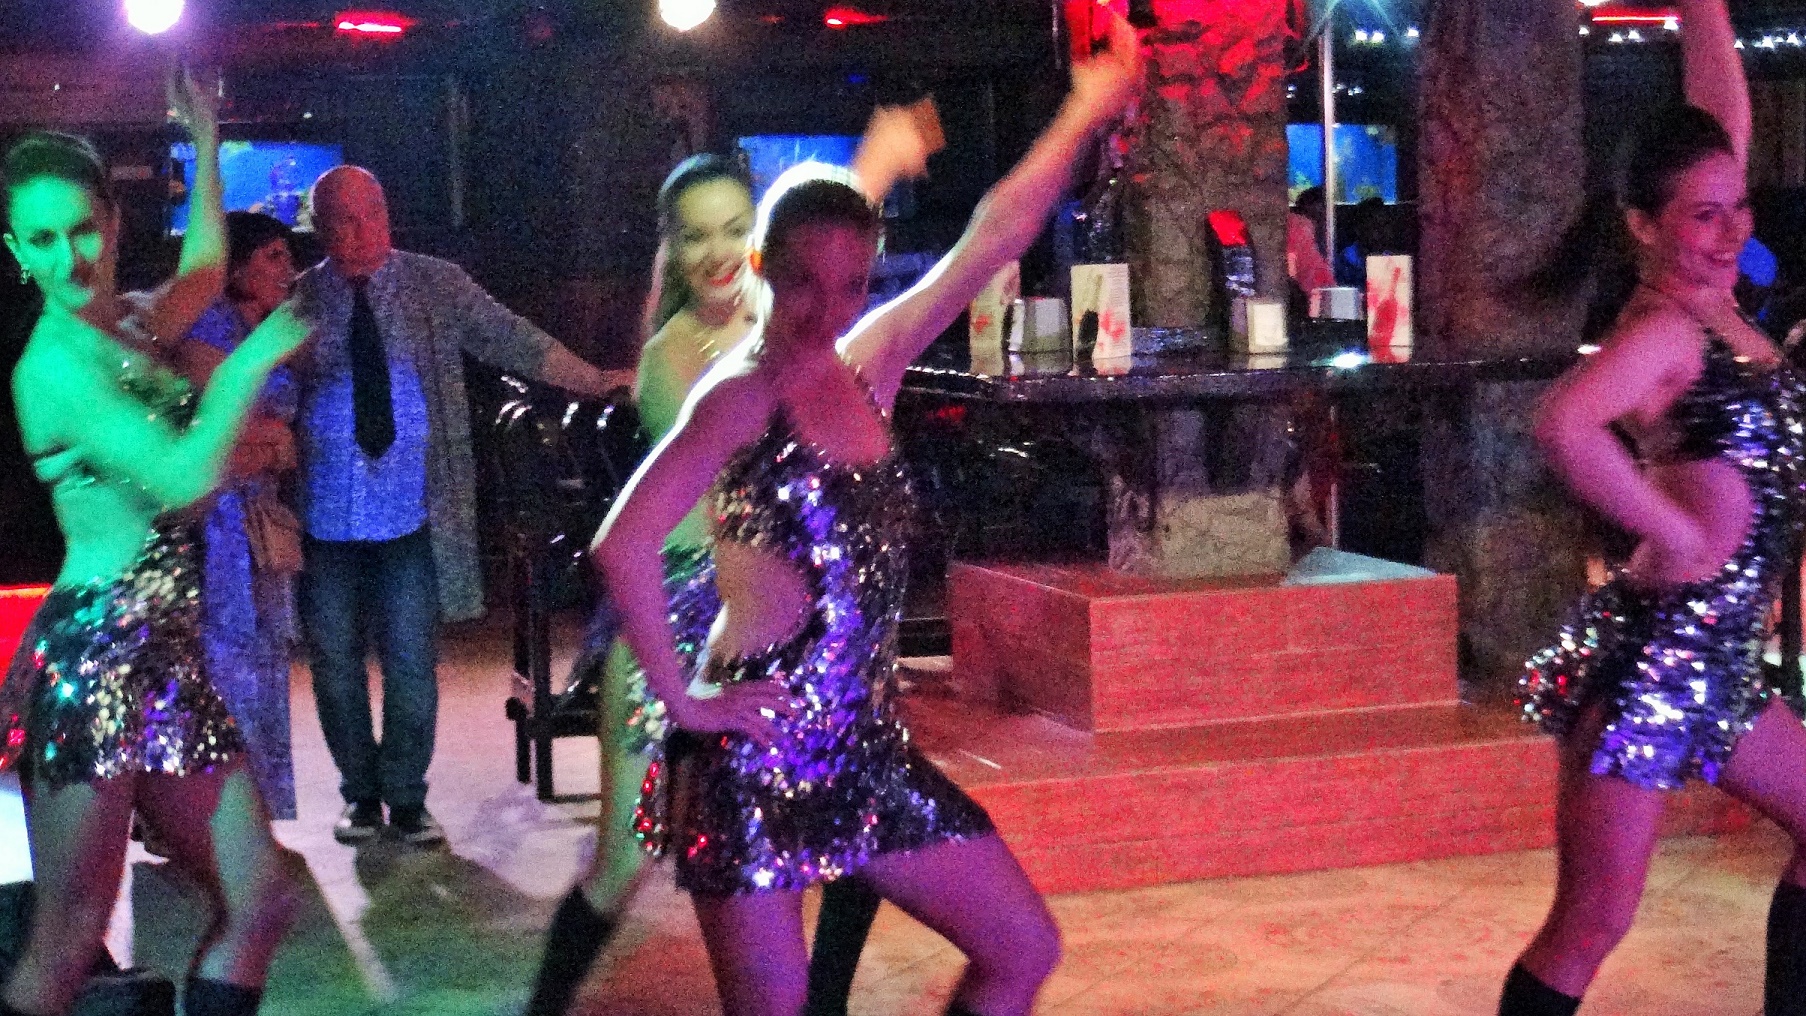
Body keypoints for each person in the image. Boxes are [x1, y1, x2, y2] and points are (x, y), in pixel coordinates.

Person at [590, 15, 1140, 1016]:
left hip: (865, 753)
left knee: (1022, 948)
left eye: (849, 284)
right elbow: (622, 542)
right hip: (754, 762)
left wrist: (1084, 111)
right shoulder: (739, 394)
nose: (828, 307)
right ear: (761, 268)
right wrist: (687, 704)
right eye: (803, 281)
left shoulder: (866, 365)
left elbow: (992, 238)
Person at [526, 107, 942, 1016]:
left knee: (863, 822)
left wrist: (870, 173)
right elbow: (785, 361)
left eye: (731, 229)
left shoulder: (783, 323)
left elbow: (820, 270)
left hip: (764, 631)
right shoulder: (683, 361)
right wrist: (873, 167)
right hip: (672, 627)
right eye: (693, 235)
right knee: (623, 862)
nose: (715, 253)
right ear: (671, 251)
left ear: (754, 240)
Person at [1509, 2, 1806, 1014]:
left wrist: (1703, 9)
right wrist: (1673, 528)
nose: (1732, 231)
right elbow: (1563, 423)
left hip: (1720, 652)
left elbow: (1721, 112)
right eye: (1704, 215)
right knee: (1590, 924)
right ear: (1643, 225)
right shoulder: (1666, 329)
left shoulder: (1715, 301)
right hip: (1655, 660)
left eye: (1738, 207)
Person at [0, 69, 307, 1016]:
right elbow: (180, 481)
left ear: (114, 221)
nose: (70, 257)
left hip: (166, 657)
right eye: (42, 240)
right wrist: (246, 367)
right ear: (15, 250)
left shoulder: (131, 323)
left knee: (261, 897)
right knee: (67, 943)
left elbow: (207, 270)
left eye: (83, 229)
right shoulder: (51, 368)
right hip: (94, 663)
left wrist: (206, 141)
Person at [290, 165, 631, 847]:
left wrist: (594, 380)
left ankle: (406, 797)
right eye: (341, 222)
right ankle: (360, 796)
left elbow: (511, 337)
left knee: (412, 661)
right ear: (319, 229)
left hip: (414, 511)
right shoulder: (299, 299)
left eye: (369, 215)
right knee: (334, 663)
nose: (358, 233)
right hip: (325, 515)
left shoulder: (433, 284)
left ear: (387, 213)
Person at [176, 212, 304, 821]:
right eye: (274, 256)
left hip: (263, 513)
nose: (288, 268)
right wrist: (273, 435)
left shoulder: (271, 329)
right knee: (224, 660)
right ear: (238, 268)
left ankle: (258, 816)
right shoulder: (209, 326)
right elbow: (210, 424)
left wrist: (277, 441)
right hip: (218, 518)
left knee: (268, 659)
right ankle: (209, 819)